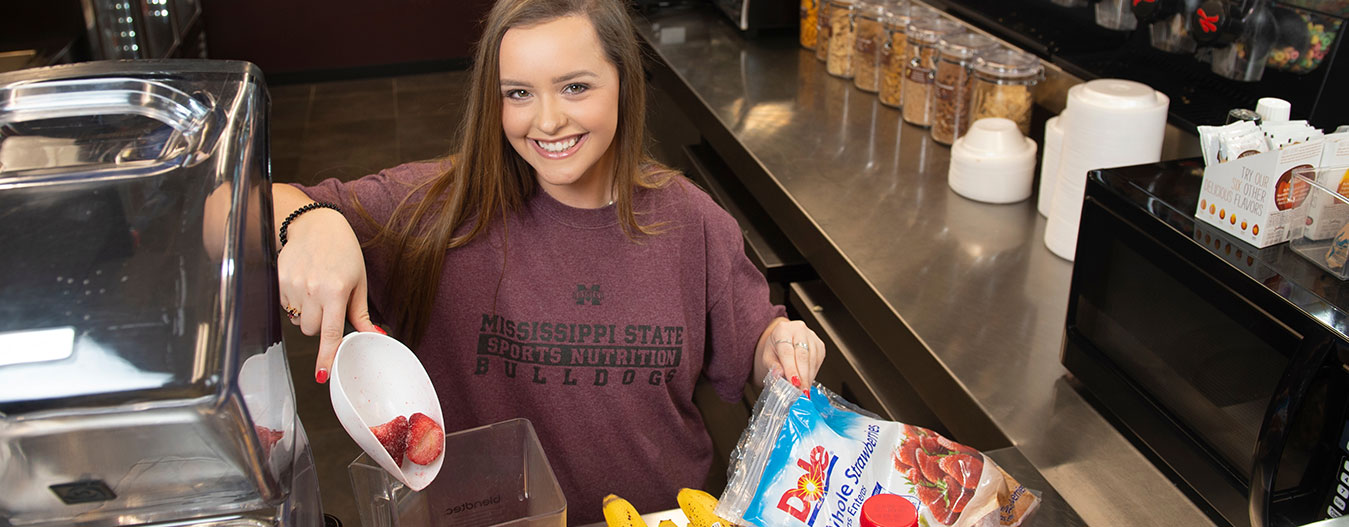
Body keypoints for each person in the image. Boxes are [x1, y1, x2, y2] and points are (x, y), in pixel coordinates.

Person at [270, 0, 826, 521]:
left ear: (625, 85)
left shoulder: (694, 223)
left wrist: (777, 346)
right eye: (518, 94)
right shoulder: (433, 210)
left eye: (575, 87)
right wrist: (310, 221)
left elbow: (752, 344)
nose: (549, 120)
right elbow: (228, 204)